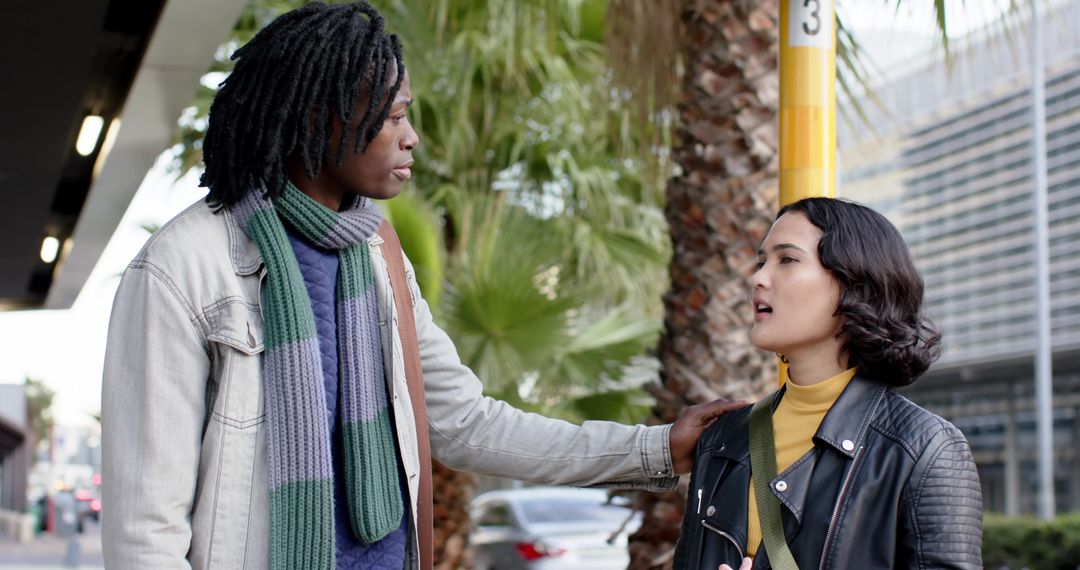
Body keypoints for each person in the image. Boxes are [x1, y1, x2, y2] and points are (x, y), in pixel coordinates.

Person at [99, 3, 743, 569]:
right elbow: (144, 532)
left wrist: (655, 448)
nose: (412, 138)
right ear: (320, 117)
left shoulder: (376, 256)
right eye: (394, 116)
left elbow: (465, 422)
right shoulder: (181, 268)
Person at [673, 198, 983, 570]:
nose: (757, 277)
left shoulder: (925, 448)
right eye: (761, 261)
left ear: (854, 285)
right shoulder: (722, 437)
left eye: (786, 259)